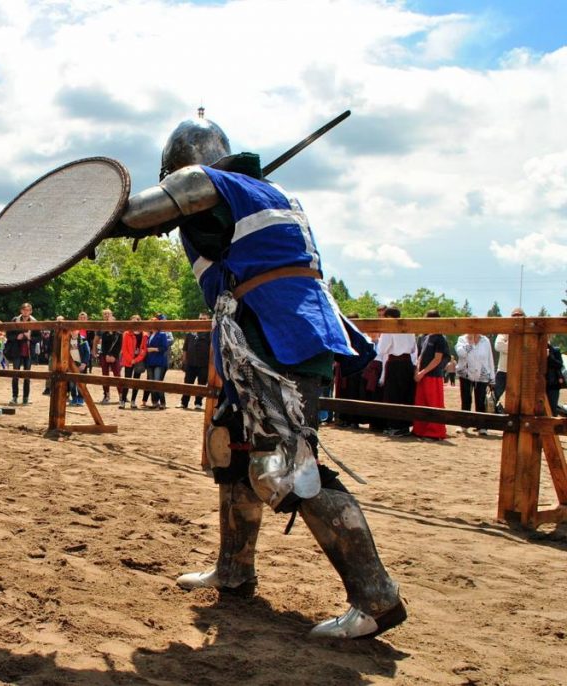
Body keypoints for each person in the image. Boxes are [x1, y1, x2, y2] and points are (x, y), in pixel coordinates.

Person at [116, 112, 404, 639]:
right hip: (250, 344)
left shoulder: (208, 182)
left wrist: (102, 221)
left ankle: (377, 597)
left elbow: (134, 213)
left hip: (281, 334)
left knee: (288, 468)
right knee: (232, 454)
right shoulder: (239, 196)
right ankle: (234, 570)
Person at [376, 307, 417, 437]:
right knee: (405, 394)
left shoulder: (389, 329)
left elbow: (382, 349)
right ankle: (404, 426)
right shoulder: (409, 328)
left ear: (388, 318)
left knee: (393, 395)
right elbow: (413, 348)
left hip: (394, 363)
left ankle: (395, 426)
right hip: (407, 363)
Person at [411, 310, 449, 440]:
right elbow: (420, 355)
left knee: (434, 403)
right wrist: (417, 370)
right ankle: (420, 429)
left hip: (433, 375)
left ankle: (435, 432)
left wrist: (423, 372)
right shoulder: (425, 337)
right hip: (422, 375)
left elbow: (437, 359)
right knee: (421, 402)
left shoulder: (440, 338)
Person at [455, 332, 495, 435]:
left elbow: (490, 358)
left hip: (482, 374)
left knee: (480, 401)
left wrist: (492, 376)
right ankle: (464, 425)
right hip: (465, 373)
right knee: (466, 399)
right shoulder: (462, 339)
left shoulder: (485, 340)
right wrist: (470, 342)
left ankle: (481, 426)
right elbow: (461, 354)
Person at [5, 302, 38, 405]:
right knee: (15, 375)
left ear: (31, 311)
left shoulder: (34, 322)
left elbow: (38, 337)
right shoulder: (15, 320)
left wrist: (30, 338)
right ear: (21, 311)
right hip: (17, 351)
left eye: (28, 310)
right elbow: (8, 335)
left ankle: (26, 398)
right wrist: (16, 337)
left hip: (28, 351)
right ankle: (14, 397)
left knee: (27, 376)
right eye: (24, 309)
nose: (26, 311)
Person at [493, 307, 525, 412]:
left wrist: (508, 345)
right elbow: (498, 346)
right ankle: (489, 422)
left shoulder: (527, 333)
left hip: (521, 371)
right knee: (495, 396)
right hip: (503, 370)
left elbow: (530, 348)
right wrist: (518, 346)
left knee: (520, 398)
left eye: (519, 316)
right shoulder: (504, 331)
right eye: (514, 316)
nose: (516, 318)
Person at [180, 311, 211, 409]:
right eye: (200, 319)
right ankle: (184, 403)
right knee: (187, 383)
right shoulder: (191, 332)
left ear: (208, 320)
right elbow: (185, 348)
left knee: (201, 384)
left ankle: (198, 403)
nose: (202, 321)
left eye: (204, 319)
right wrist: (184, 361)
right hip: (190, 363)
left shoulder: (210, 333)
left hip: (204, 364)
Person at [120, 314, 148, 409]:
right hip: (128, 361)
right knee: (126, 381)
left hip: (138, 361)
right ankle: (123, 401)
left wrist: (136, 360)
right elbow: (124, 349)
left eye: (136, 321)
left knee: (136, 382)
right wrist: (130, 360)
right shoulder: (126, 333)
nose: (134, 323)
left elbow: (144, 350)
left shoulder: (144, 335)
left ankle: (133, 401)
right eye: (132, 321)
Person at [98, 308, 125, 406]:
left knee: (117, 375)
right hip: (105, 356)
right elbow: (103, 346)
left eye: (112, 322)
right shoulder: (104, 334)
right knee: (105, 376)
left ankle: (122, 396)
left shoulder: (119, 334)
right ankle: (106, 395)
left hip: (115, 357)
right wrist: (105, 355)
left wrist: (113, 356)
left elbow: (119, 346)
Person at [145, 314, 170, 410]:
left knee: (157, 382)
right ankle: (154, 402)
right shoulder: (150, 335)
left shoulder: (162, 334)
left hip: (159, 361)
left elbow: (164, 347)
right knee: (151, 382)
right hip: (150, 361)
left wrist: (153, 349)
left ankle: (163, 403)